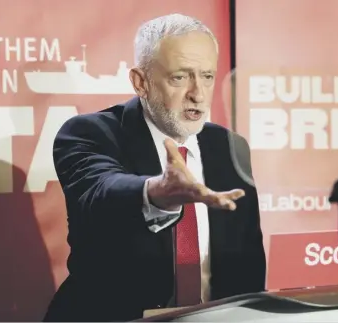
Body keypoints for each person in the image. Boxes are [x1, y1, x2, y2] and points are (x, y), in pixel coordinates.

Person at [43, 14, 266, 322]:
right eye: (180, 77)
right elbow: (100, 191)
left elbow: (248, 265)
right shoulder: (91, 132)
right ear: (141, 82)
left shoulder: (228, 145)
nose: (198, 94)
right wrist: (159, 192)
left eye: (207, 76)